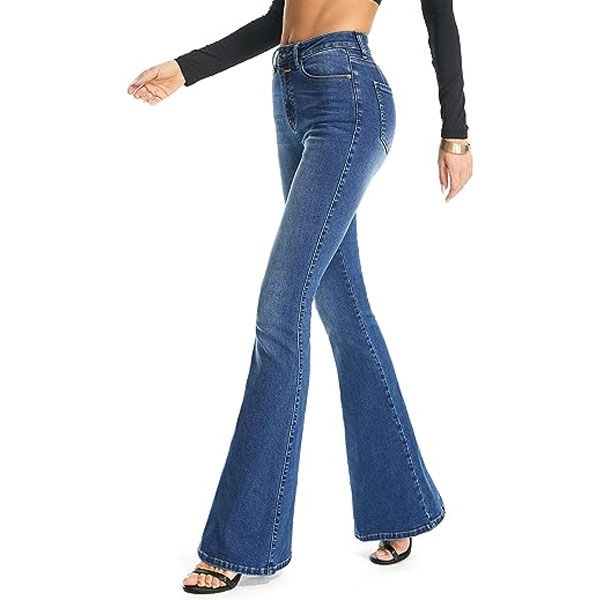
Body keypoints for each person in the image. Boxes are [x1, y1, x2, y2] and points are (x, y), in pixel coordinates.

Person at [127, 0, 472, 593]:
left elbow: (440, 21)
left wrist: (456, 134)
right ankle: (401, 504)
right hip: (289, 95)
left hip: (348, 97)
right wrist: (186, 69)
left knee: (279, 312)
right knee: (343, 308)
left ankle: (240, 541)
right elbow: (277, 21)